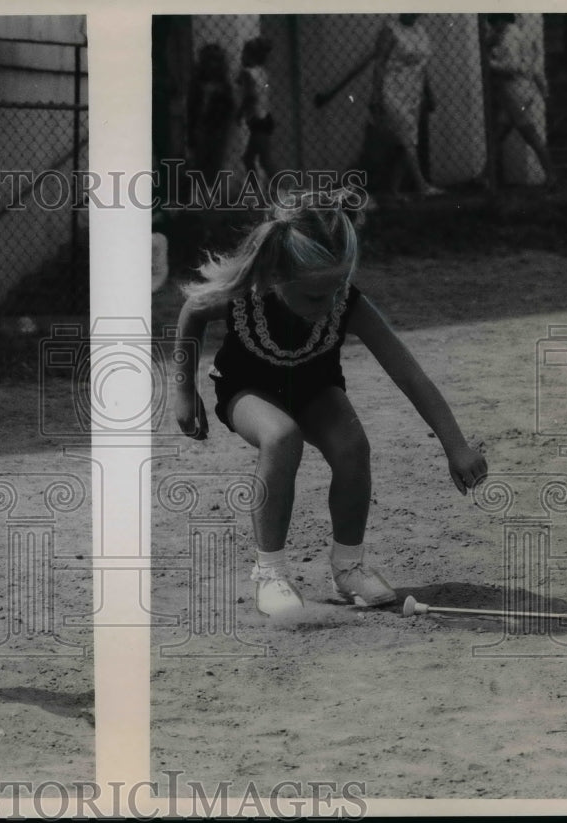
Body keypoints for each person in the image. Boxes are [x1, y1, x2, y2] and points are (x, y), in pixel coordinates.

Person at [173, 190, 487, 619]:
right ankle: (270, 572)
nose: (332, 305)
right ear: (276, 276)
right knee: (282, 436)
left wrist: (456, 446)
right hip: (249, 389)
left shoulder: (346, 305)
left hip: (315, 388)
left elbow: (409, 373)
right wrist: (184, 390)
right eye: (317, 297)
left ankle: (348, 565)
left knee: (353, 444)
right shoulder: (242, 294)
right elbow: (192, 311)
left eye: (339, 288)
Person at [369, 14, 442, 199]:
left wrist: (428, 91)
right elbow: (379, 64)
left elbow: (423, 67)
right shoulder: (390, 30)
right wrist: (376, 94)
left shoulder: (420, 31)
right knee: (406, 137)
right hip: (392, 90)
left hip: (413, 92)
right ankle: (422, 186)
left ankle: (394, 189)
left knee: (408, 139)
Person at [486, 13, 557, 186]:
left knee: (530, 135)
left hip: (514, 91)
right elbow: (535, 68)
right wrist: (543, 91)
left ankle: (551, 175)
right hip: (523, 89)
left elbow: (512, 66)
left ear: (501, 21)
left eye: (494, 24)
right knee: (499, 135)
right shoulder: (520, 34)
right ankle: (484, 175)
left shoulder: (508, 38)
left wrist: (489, 64)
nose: (493, 28)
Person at [188, 42, 235, 193]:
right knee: (200, 161)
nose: (212, 65)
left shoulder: (224, 86)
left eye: (216, 60)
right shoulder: (197, 84)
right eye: (209, 60)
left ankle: (211, 192)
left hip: (217, 128)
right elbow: (191, 108)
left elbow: (230, 107)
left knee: (215, 162)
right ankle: (202, 192)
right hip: (200, 127)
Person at [237, 37, 275, 190]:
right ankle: (261, 190)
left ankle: (283, 190)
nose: (241, 57)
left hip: (257, 121)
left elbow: (250, 96)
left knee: (263, 160)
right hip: (264, 119)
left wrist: (239, 113)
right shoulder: (261, 72)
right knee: (249, 158)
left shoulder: (247, 73)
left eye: (244, 54)